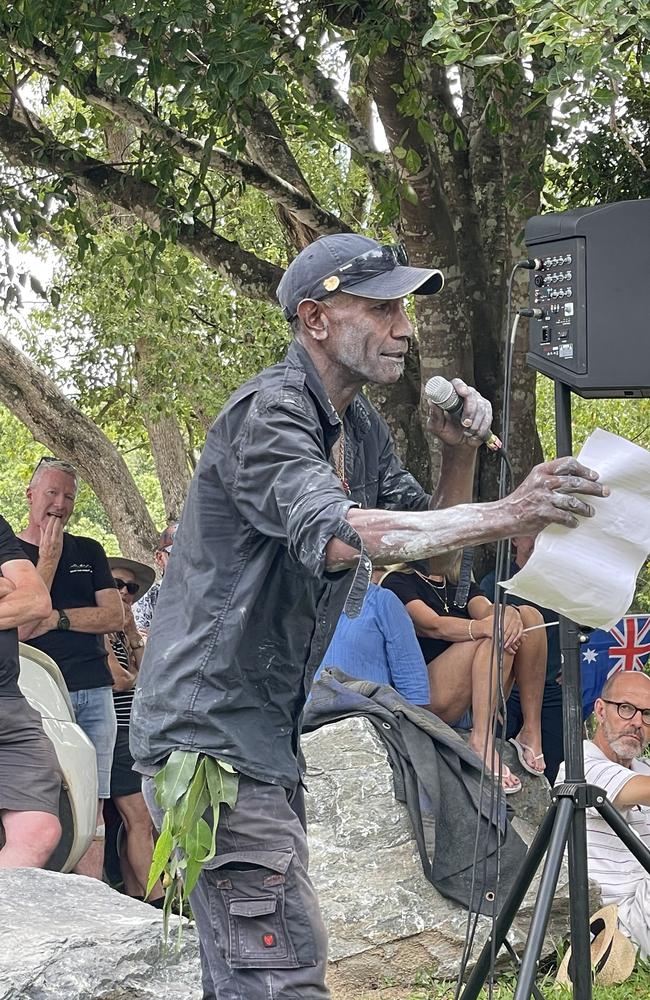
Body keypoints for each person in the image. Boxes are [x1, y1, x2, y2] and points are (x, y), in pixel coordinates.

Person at [130, 233, 608, 1000]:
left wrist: (456, 458)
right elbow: (346, 535)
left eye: (405, 308)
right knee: (280, 974)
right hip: (209, 742)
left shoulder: (359, 429)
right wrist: (509, 508)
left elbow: (437, 562)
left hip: (262, 739)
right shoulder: (272, 413)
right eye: (382, 307)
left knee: (261, 968)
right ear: (315, 319)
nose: (405, 326)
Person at [16, 457, 124, 879]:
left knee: (92, 805)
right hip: (36, 696)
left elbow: (113, 615)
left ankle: (92, 900)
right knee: (39, 804)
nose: (60, 504)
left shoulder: (90, 551)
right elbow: (22, 627)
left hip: (94, 690)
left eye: (69, 497)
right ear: (31, 495)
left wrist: (57, 617)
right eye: (52, 493)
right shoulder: (11, 555)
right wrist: (47, 559)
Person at [381, 559, 547, 793]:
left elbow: (488, 611)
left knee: (530, 617)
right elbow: (433, 625)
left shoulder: (459, 584)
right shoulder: (397, 581)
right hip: (432, 699)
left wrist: (508, 615)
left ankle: (530, 729)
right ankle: (480, 740)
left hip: (477, 697)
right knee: (494, 634)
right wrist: (487, 627)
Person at [556, 671, 650, 958]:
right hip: (612, 924)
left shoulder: (644, 769)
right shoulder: (578, 767)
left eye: (647, 714)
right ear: (600, 710)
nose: (636, 722)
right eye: (625, 708)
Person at [0, 513, 62, 868]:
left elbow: (37, 601)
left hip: (9, 700)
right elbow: (16, 592)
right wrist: (5, 587)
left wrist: (14, 588)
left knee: (39, 830)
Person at [480, 534, 564, 782]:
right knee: (496, 749)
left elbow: (580, 629)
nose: (537, 538)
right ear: (515, 538)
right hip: (507, 687)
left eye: (544, 531)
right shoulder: (495, 582)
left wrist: (570, 665)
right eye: (531, 531)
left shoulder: (560, 584)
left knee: (556, 765)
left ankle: (553, 817)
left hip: (549, 687)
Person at [105, 556, 163, 904]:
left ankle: (137, 894)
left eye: (131, 588)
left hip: (138, 734)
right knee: (140, 818)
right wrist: (140, 680)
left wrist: (132, 635)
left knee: (143, 822)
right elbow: (121, 682)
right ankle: (159, 899)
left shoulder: (124, 634)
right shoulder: (97, 631)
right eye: (116, 584)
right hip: (116, 734)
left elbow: (146, 677)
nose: (124, 593)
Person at [315, 578, 431, 706]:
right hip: (306, 720)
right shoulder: (298, 605)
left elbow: (413, 686)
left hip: (368, 718)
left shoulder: (383, 601)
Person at [133, 522, 177, 636]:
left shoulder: (212, 592)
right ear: (159, 557)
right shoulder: (147, 597)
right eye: (176, 555)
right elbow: (140, 638)